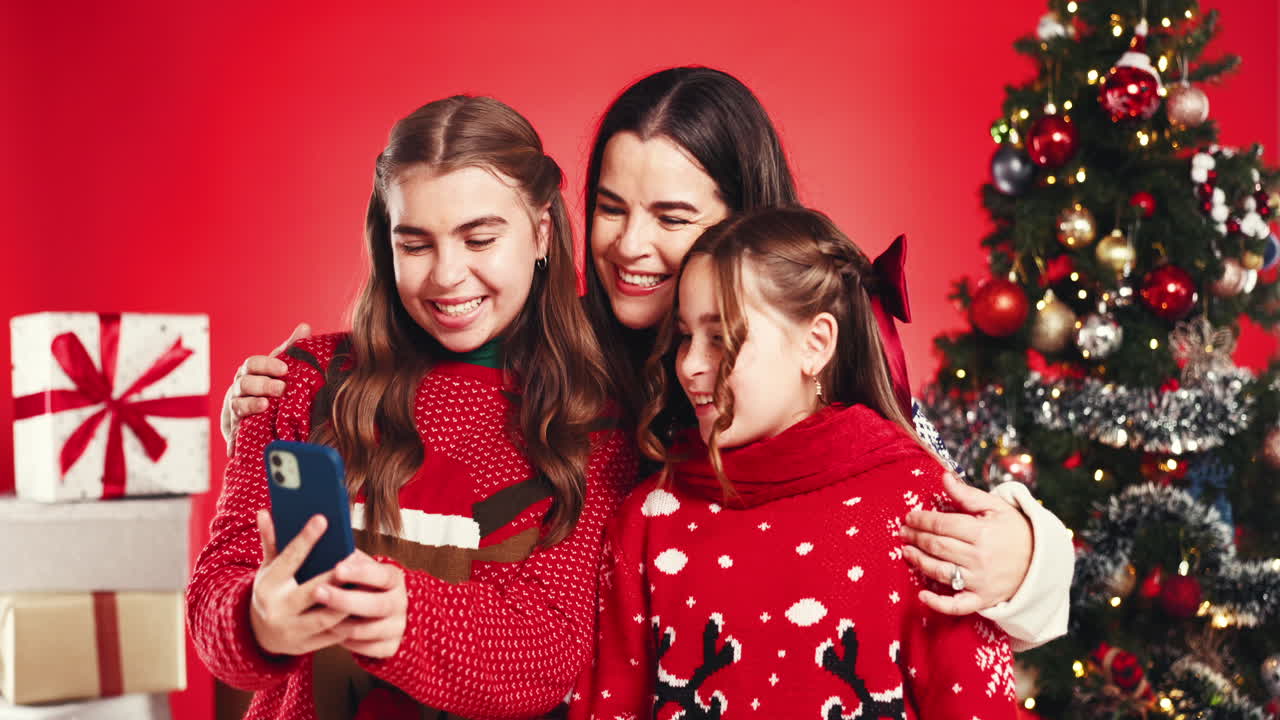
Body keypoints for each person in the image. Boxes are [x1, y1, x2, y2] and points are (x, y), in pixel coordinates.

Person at [218, 66, 1071, 649]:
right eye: (611, 207)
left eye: (672, 217)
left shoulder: (811, 346)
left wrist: (1028, 558)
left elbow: (926, 489)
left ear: (740, 220)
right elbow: (444, 342)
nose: (631, 246)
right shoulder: (564, 346)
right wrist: (298, 386)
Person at [187, 95, 636, 720]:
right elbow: (215, 597)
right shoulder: (302, 383)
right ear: (386, 241)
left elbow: (550, 650)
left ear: (540, 232)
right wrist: (257, 618)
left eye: (479, 237)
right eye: (416, 244)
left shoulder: (595, 421)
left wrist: (404, 618)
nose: (448, 275)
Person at [572, 207, 1017, 719]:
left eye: (721, 338)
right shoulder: (646, 521)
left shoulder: (918, 505)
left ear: (815, 344)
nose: (691, 363)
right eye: (685, 336)